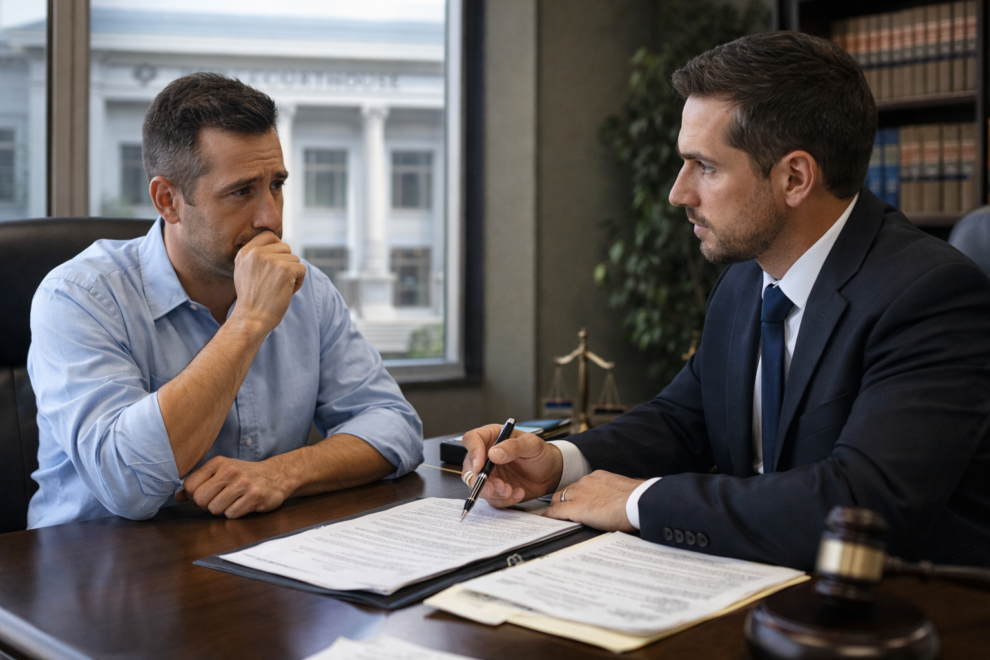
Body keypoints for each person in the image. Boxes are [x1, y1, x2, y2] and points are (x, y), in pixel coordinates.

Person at [462, 31, 990, 570]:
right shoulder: (746, 278)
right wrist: (560, 461)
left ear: (795, 177)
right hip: (757, 582)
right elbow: (684, 419)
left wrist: (638, 501)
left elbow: (860, 504)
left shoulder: (930, 295)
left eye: (705, 167)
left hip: (908, 614)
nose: (678, 193)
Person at [27, 73, 423, 528]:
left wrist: (282, 473)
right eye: (241, 192)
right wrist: (249, 321)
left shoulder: (306, 288)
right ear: (167, 200)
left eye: (276, 184)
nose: (270, 217)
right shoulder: (78, 296)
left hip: (252, 558)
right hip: (91, 571)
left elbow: (394, 424)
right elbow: (126, 483)